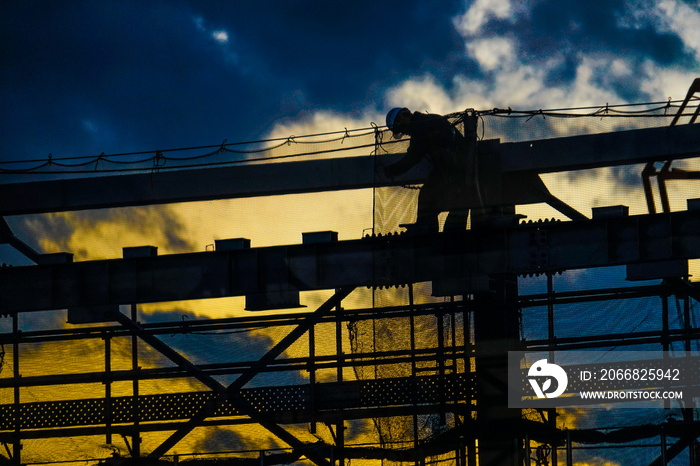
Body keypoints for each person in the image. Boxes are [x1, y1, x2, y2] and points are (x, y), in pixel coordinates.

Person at [383, 107, 478, 233]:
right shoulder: (427, 120)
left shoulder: (419, 127)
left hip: (451, 169)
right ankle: (447, 235)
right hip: (458, 168)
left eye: (400, 129)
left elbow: (413, 157)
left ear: (401, 118)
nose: (404, 132)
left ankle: (427, 232)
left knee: (427, 198)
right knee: (457, 205)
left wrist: (393, 170)